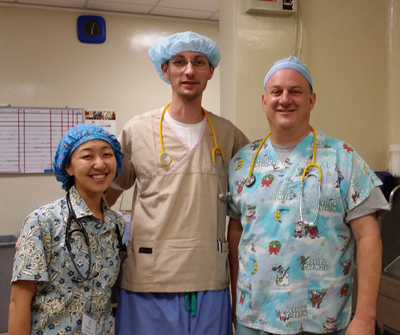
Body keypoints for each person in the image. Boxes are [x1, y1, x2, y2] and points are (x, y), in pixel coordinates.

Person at [227, 56, 389, 335]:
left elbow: (369, 237)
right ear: (264, 101)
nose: (285, 99)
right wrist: (234, 301)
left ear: (311, 100)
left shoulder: (342, 158)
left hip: (321, 320)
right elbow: (236, 234)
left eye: (295, 91)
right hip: (253, 319)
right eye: (276, 91)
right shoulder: (242, 163)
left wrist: (364, 317)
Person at [105, 31, 249, 335]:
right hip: (149, 280)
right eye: (179, 61)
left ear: (211, 72)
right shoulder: (137, 130)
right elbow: (106, 198)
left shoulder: (227, 135)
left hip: (209, 278)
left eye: (199, 62)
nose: (189, 70)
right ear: (164, 69)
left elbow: (254, 201)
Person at [8, 124, 125, 335]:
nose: (100, 164)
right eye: (87, 156)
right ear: (68, 167)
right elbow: (18, 303)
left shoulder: (116, 224)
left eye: (107, 154)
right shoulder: (42, 222)